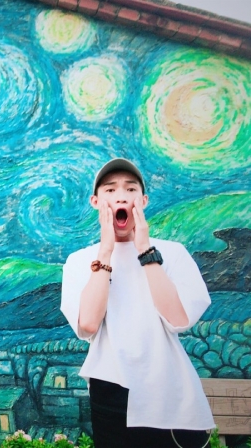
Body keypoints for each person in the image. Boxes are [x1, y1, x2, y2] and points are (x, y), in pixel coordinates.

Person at [60, 158, 214, 448]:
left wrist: (145, 250)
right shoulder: (79, 260)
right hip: (110, 389)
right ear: (96, 202)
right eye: (110, 190)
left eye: (130, 189)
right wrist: (105, 251)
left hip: (168, 386)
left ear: (143, 201)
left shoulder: (173, 253)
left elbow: (179, 319)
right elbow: (88, 324)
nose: (121, 196)